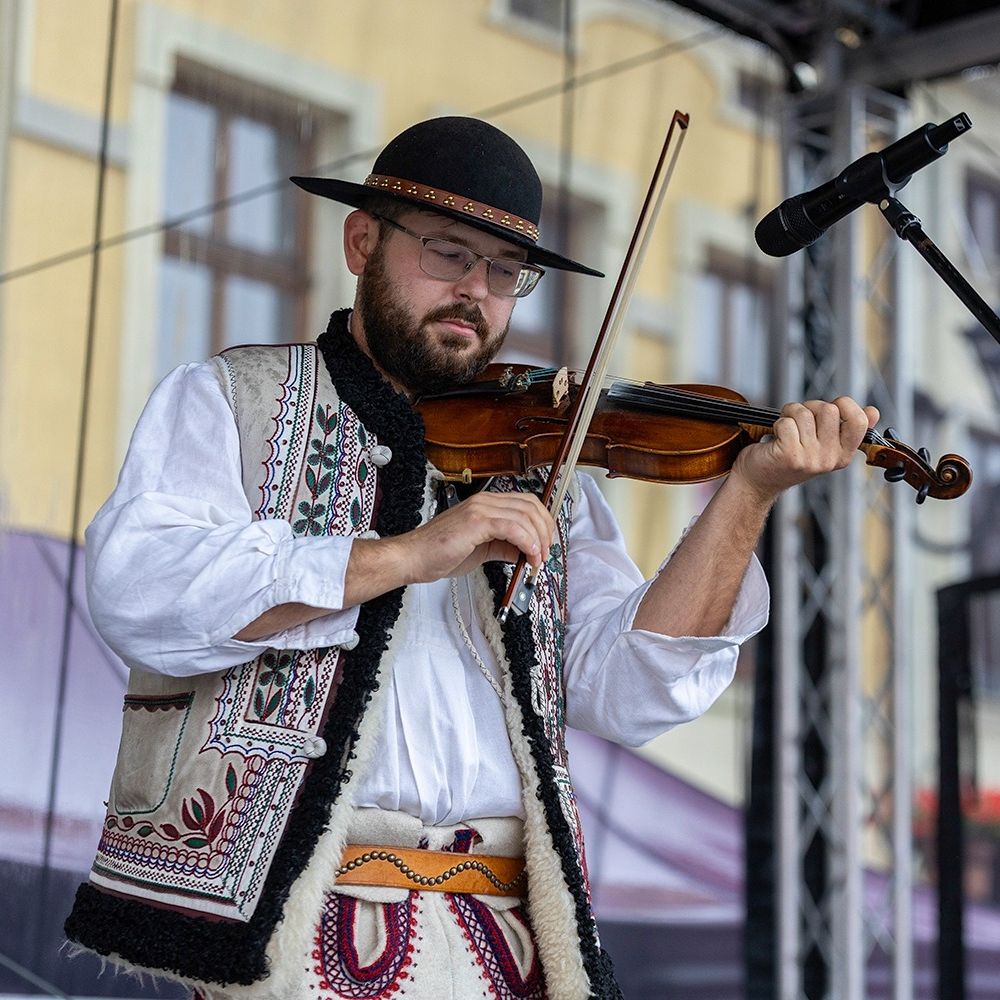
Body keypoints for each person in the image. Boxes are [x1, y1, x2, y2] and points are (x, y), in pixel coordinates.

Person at [65, 116, 876, 1000]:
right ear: (361, 240)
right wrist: (408, 554)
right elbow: (137, 590)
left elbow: (628, 687)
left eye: (504, 272)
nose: (477, 294)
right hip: (296, 925)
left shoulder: (546, 464)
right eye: (449, 254)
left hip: (506, 940)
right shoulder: (233, 398)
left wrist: (747, 493)